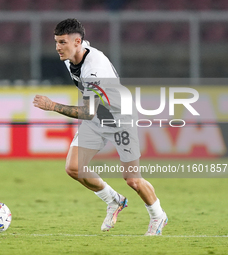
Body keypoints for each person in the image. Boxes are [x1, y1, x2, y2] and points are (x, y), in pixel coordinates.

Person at [33, 18, 167, 235]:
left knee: (132, 179)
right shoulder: (72, 56)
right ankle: (114, 201)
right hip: (97, 118)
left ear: (77, 42)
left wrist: (52, 106)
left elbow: (87, 111)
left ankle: (158, 216)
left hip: (119, 118)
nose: (58, 47)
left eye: (62, 42)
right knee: (74, 168)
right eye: (56, 42)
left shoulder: (94, 69)